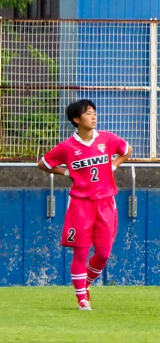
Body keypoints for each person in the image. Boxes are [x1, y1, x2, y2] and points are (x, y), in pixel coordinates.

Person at [36, 100, 131, 310]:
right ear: (76, 119)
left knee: (103, 254)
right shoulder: (67, 147)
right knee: (80, 251)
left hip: (106, 202)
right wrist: (65, 172)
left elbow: (126, 149)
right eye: (88, 113)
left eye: (94, 112)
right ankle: (82, 299)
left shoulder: (107, 139)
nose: (94, 116)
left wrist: (114, 164)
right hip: (80, 204)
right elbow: (43, 164)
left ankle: (85, 284)